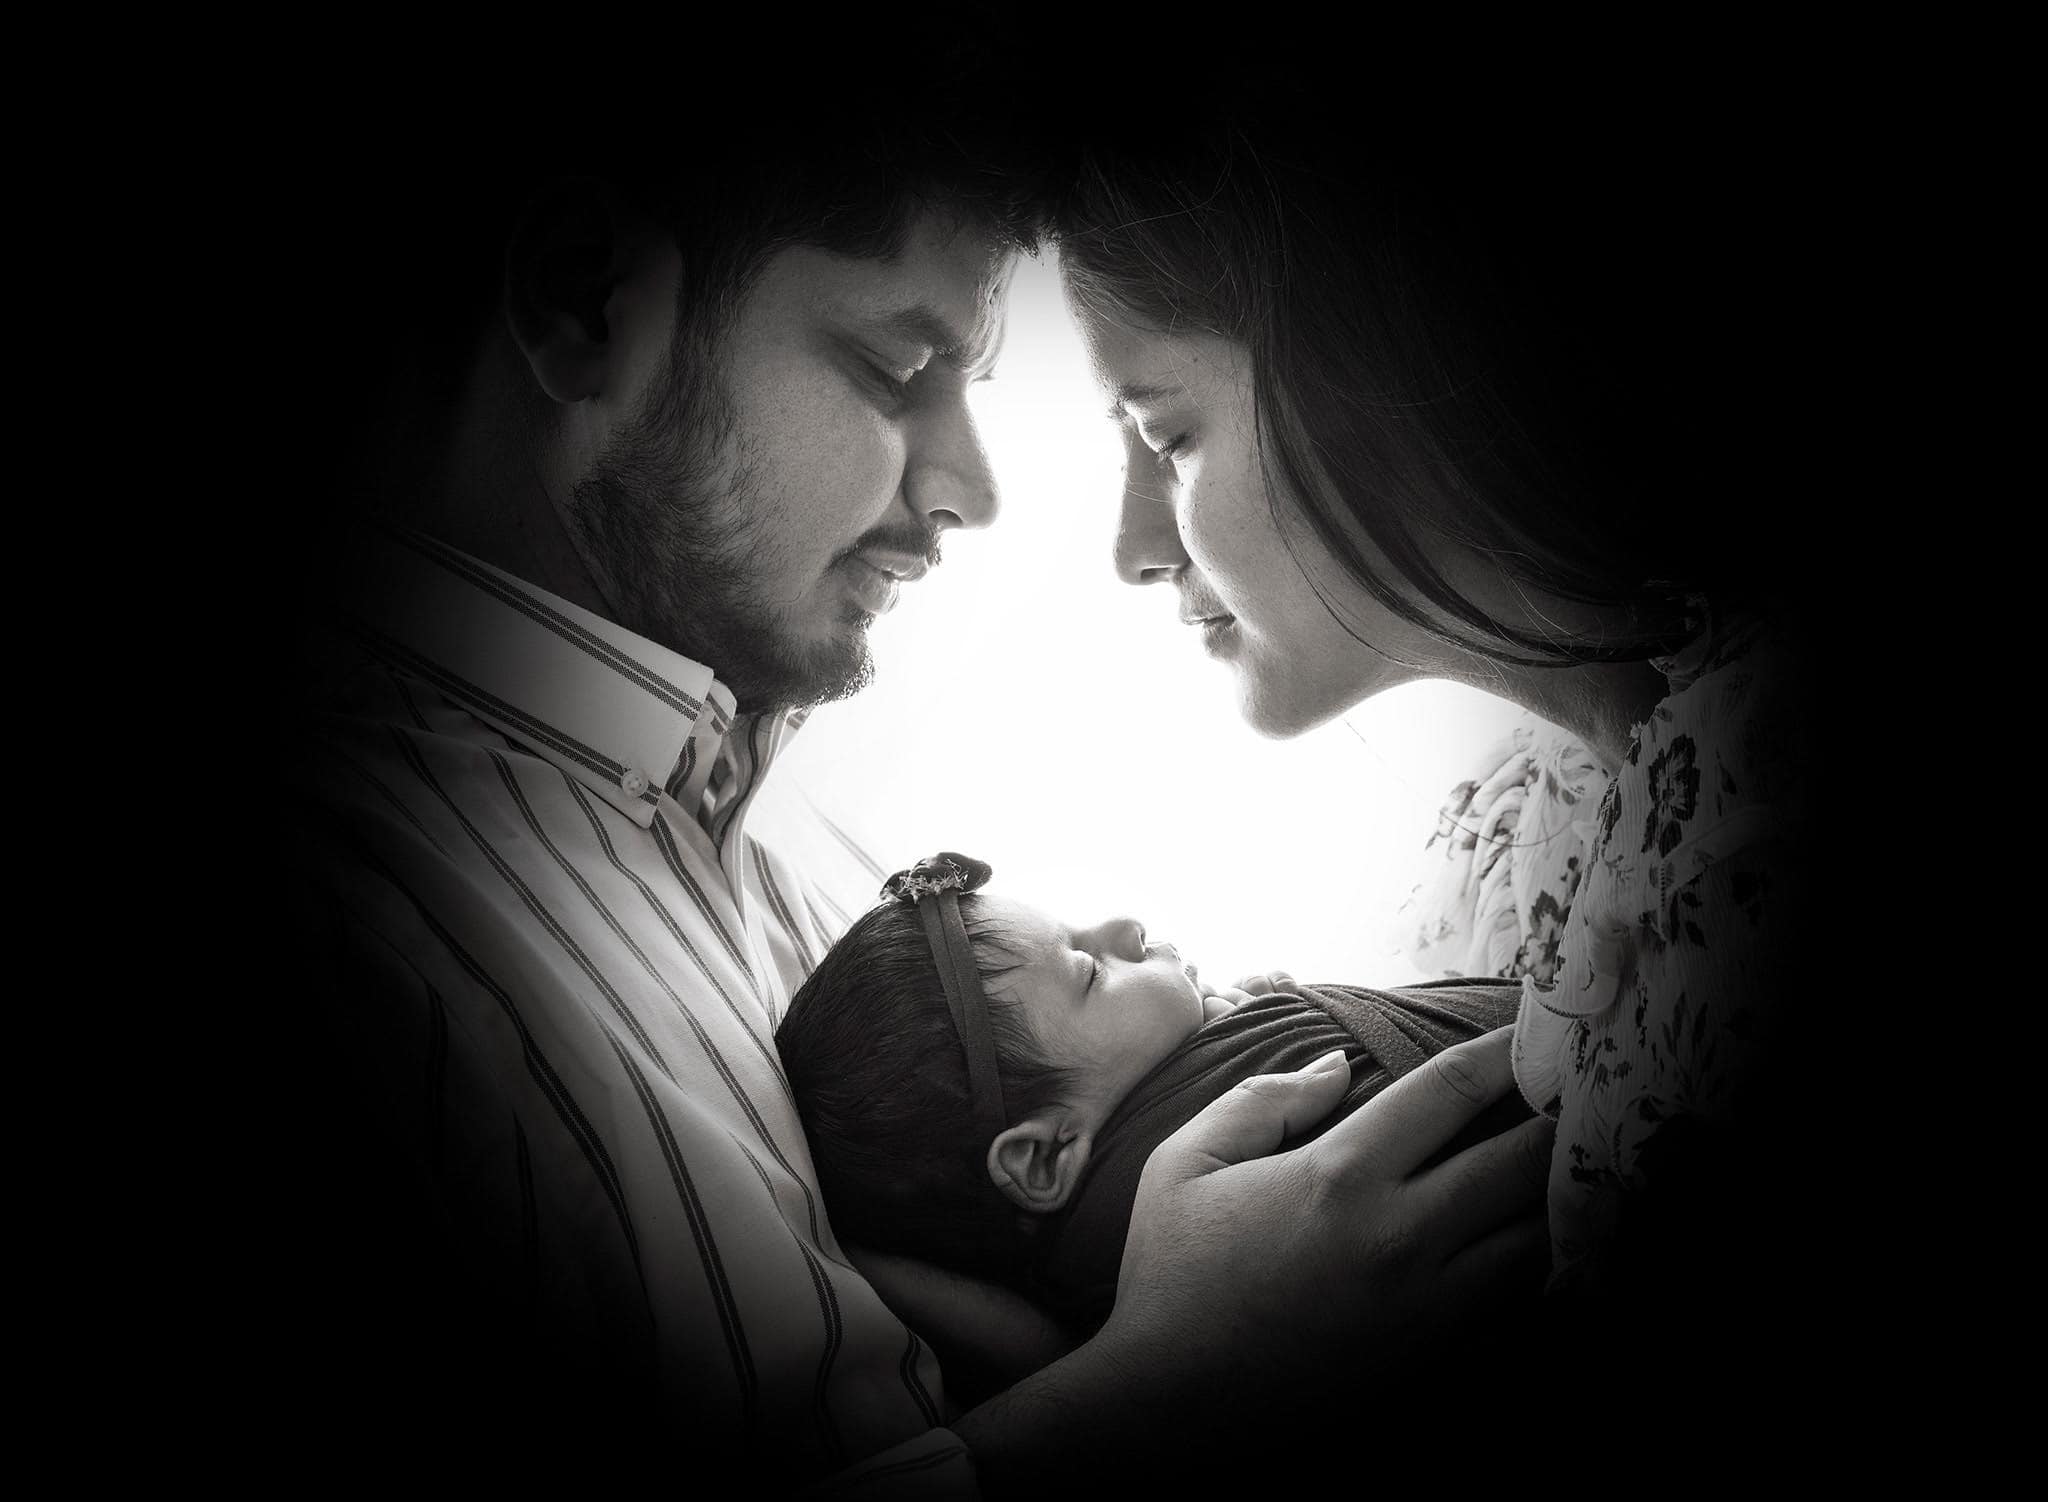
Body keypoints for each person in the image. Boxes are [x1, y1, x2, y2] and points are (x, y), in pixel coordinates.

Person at [266, 113, 1557, 1491]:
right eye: (898, 367)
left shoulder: (793, 848)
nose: (971, 489)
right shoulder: (364, 951)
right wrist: (1186, 1381)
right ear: (585, 302)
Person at [1052, 103, 1842, 1398]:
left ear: (1357, 364)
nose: (1135, 548)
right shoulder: (1590, 805)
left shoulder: (1765, 826)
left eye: (1165, 434)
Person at [777, 852, 1531, 1342]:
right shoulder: (1187, 1231)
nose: (1126, 927)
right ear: (1043, 1158)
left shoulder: (1099, 1300)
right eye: (1088, 970)